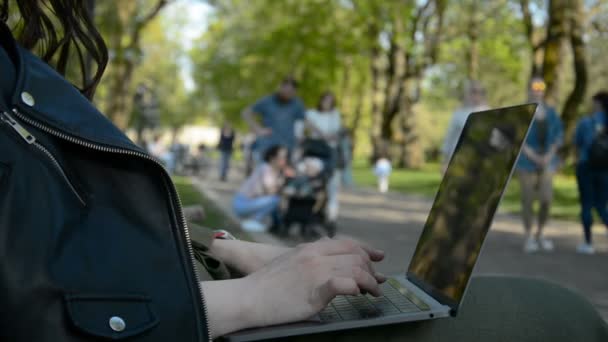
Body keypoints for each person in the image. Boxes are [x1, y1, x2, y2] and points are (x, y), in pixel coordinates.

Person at [2, 3, 606, 342]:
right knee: (560, 314)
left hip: (191, 282)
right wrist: (233, 303)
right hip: (184, 318)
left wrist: (225, 250)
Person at [516, 77, 564, 253]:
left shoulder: (551, 112)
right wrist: (533, 156)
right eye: (534, 87)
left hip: (547, 162)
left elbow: (558, 136)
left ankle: (540, 233)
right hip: (525, 162)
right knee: (528, 200)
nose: (537, 91)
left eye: (541, 87)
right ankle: (528, 236)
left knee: (546, 199)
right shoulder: (522, 112)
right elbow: (517, 138)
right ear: (528, 90)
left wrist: (549, 155)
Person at [573, 91, 608, 254]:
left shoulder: (586, 122)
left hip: (586, 166)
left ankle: (588, 243)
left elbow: (577, 144)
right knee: (602, 206)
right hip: (605, 169)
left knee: (586, 204)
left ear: (597, 103)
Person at [242, 77, 306, 163]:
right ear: (281, 87)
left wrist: (301, 136)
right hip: (267, 147)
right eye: (286, 90)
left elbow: (303, 121)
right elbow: (246, 113)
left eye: (291, 92)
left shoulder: (297, 104)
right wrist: (258, 129)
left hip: (288, 147)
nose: (288, 93)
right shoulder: (267, 101)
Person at [306, 92, 342, 232]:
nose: (327, 103)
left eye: (330, 101)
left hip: (330, 153)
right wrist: (323, 135)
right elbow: (308, 126)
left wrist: (328, 136)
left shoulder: (335, 115)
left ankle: (331, 218)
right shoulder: (312, 113)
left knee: (332, 185)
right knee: (314, 184)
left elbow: (336, 132)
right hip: (316, 152)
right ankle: (311, 216)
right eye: (325, 100)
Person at [232, 145, 287, 232]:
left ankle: (270, 224)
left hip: (245, 202)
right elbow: (271, 191)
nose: (284, 160)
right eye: (281, 157)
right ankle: (253, 221)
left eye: (285, 157)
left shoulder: (268, 169)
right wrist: (282, 182)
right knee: (276, 199)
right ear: (272, 158)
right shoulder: (266, 169)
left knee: (276, 200)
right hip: (242, 204)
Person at [442, 80, 489, 171]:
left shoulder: (490, 112)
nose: (477, 95)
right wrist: (445, 162)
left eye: (481, 91)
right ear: (467, 93)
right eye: (473, 91)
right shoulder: (458, 113)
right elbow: (449, 138)